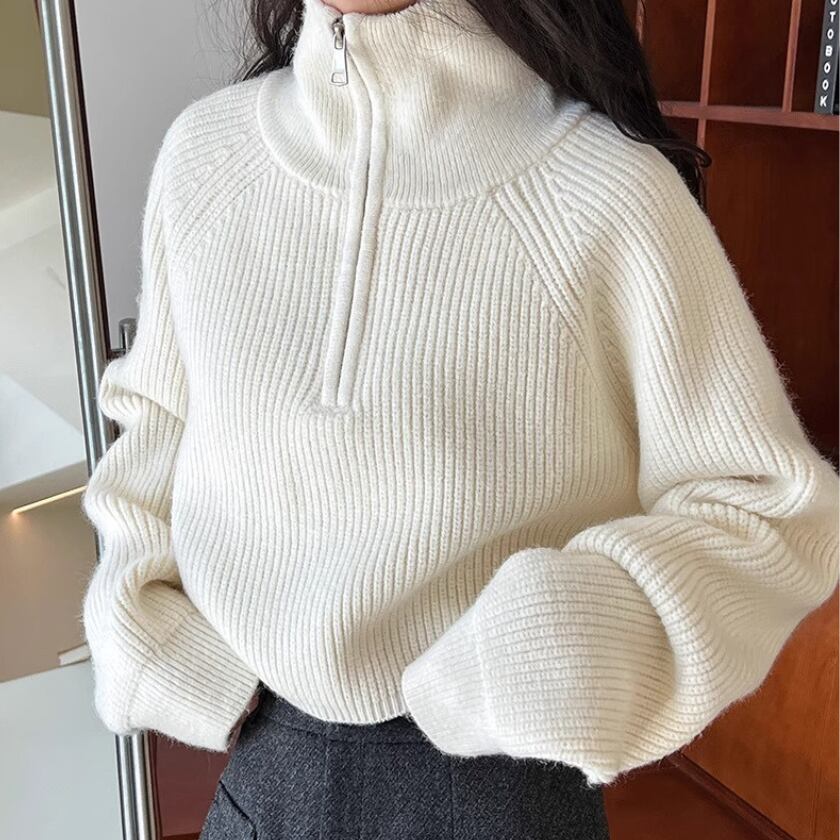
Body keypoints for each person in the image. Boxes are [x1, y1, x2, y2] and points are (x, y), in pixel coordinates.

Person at [79, 0, 840, 837]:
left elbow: (767, 510)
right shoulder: (205, 157)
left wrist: (551, 654)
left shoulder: (607, 190)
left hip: (501, 791)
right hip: (266, 769)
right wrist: (147, 635)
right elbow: (156, 423)